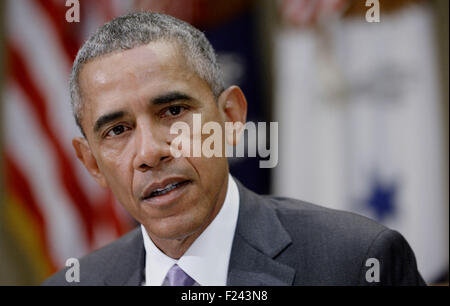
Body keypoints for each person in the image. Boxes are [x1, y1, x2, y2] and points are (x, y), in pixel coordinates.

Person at [43, 12, 425, 286]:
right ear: (91, 162)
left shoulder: (357, 262)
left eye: (173, 111)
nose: (150, 152)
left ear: (230, 117)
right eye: (118, 129)